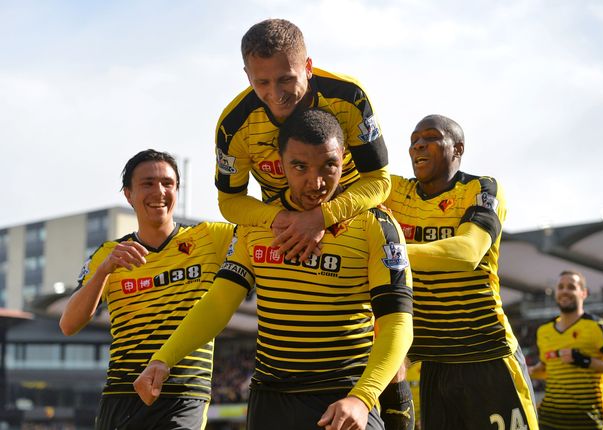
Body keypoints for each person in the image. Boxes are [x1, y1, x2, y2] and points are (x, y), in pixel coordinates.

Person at [135, 109, 413, 430]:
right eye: (300, 167)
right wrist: (163, 358)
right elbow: (220, 301)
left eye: (329, 166)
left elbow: (398, 326)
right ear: (280, 164)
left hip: (344, 396)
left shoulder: (375, 225)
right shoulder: (257, 224)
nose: (316, 181)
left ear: (344, 159)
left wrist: (362, 398)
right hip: (271, 401)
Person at [59, 149, 235, 430]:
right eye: (148, 183)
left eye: (168, 183)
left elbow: (262, 235)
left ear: (177, 189)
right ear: (128, 194)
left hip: (183, 393)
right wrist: (104, 270)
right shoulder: (108, 253)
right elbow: (68, 324)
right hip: (122, 394)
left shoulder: (211, 238)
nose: (159, 191)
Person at [383, 114, 538, 429]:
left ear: (458, 148)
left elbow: (467, 253)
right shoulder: (396, 193)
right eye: (413, 141)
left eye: (430, 137)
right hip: (435, 363)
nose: (418, 146)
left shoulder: (481, 188)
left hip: (487, 354)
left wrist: (387, 256)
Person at [215, 18, 390, 262]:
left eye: (286, 79)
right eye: (262, 82)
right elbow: (230, 201)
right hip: (283, 230)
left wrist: (321, 217)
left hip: (350, 216)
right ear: (247, 76)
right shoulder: (233, 126)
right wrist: (282, 220)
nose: (276, 95)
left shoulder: (350, 97)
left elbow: (379, 180)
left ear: (308, 66)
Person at [529, 270, 603, 429]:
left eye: (571, 287)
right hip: (548, 423)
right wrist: (530, 371)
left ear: (584, 293)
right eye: (560, 287)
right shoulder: (544, 331)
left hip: (587, 423)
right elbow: (548, 369)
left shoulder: (598, 327)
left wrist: (586, 361)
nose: (564, 291)